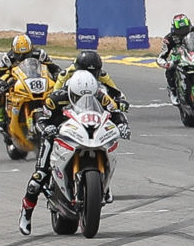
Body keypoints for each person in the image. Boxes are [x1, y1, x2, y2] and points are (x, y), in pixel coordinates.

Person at [17, 70, 132, 235]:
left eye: (89, 96)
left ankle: (104, 185)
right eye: (79, 98)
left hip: (86, 131)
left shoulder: (100, 95)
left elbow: (116, 113)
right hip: (57, 133)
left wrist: (122, 125)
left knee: (109, 146)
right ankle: (26, 213)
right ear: (71, 92)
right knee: (40, 176)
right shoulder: (56, 98)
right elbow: (41, 119)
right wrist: (46, 128)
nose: (84, 100)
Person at [0, 33, 64, 140]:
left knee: (57, 90)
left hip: (38, 80)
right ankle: (1, 118)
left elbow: (55, 68)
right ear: (14, 52)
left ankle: (57, 116)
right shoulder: (9, 58)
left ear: (31, 50)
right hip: (17, 82)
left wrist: (56, 75)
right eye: (19, 55)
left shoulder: (40, 54)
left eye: (26, 55)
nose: (22, 58)